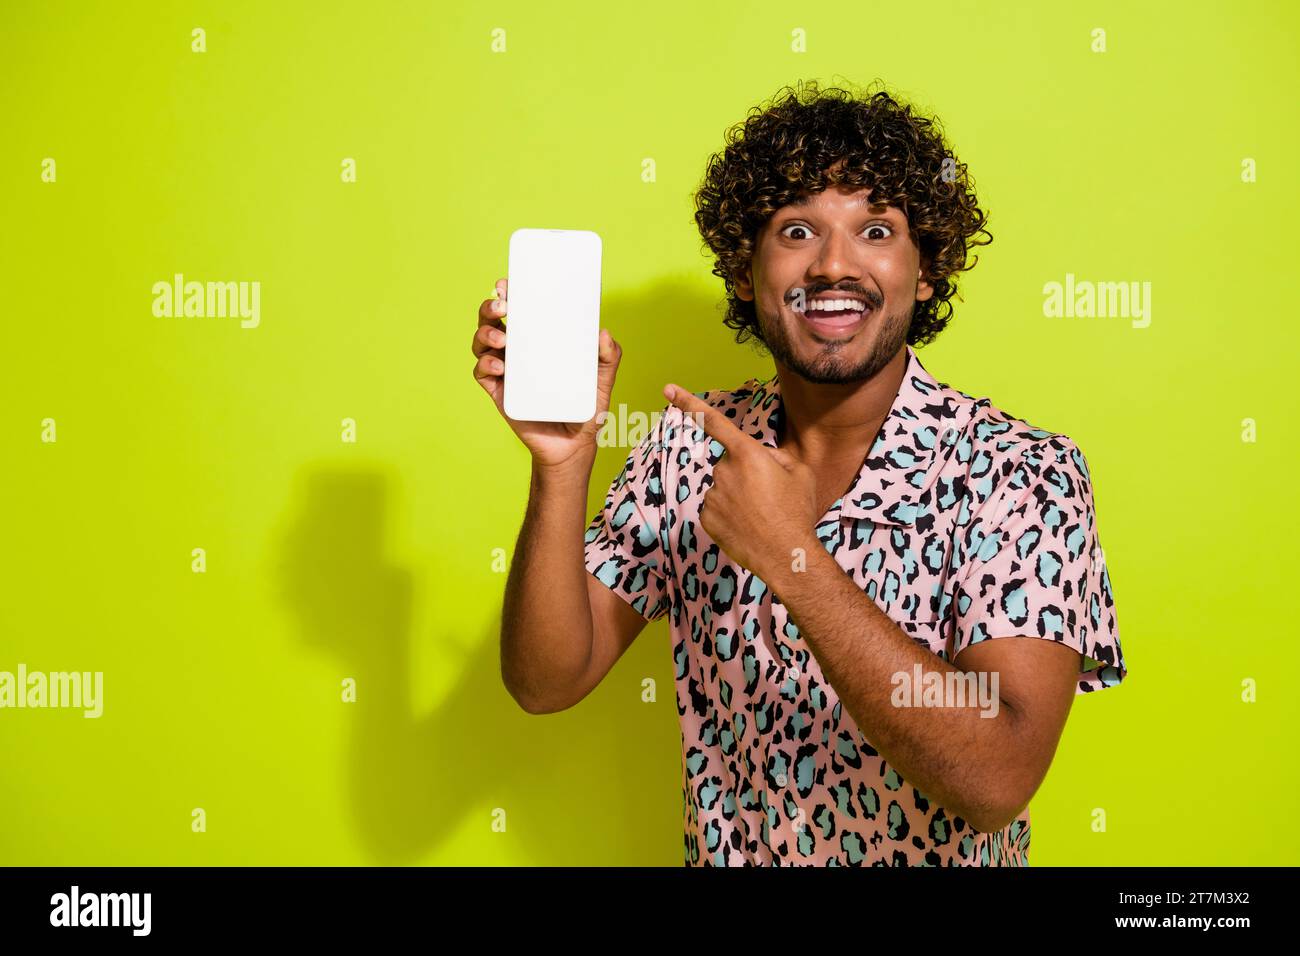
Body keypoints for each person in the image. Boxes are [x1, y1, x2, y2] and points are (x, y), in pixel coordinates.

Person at [474, 79, 1126, 866]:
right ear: (747, 273)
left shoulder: (1021, 474)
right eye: (796, 231)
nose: (833, 266)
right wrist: (562, 464)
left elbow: (996, 780)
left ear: (926, 272)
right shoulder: (688, 447)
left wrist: (793, 555)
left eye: (877, 229)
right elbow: (548, 680)